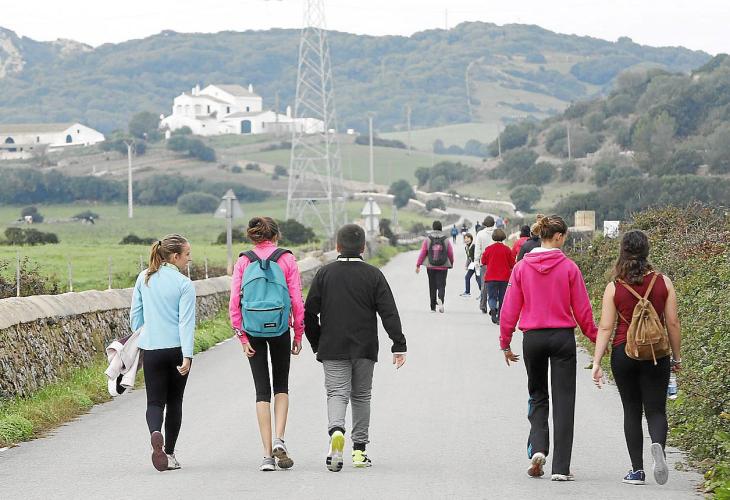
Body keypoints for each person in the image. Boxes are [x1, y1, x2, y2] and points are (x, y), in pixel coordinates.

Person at [499, 215, 598, 481]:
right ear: (558, 236)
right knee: (564, 401)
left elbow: (510, 307)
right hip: (562, 337)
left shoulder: (521, 268)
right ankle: (561, 468)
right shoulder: (569, 267)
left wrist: (505, 341)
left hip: (533, 338)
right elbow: (582, 309)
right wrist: (595, 338)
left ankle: (539, 448)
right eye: (564, 236)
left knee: (538, 394)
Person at [305, 224, 407, 472]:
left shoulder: (324, 274)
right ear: (363, 248)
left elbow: (308, 313)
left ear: (337, 247)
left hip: (333, 346)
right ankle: (359, 451)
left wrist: (317, 342)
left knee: (337, 393)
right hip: (365, 347)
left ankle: (337, 431)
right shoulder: (373, 275)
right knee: (361, 396)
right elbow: (388, 312)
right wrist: (398, 344)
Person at [591, 230, 682, 486]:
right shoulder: (664, 282)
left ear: (623, 251)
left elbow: (606, 327)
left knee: (631, 411)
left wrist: (597, 362)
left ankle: (637, 471)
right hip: (657, 354)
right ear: (647, 251)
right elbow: (673, 323)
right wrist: (676, 358)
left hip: (624, 352)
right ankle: (658, 447)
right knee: (655, 410)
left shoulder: (614, 287)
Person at [229, 217, 305, 472]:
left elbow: (234, 303)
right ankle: (279, 439)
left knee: (262, 391)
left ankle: (266, 457)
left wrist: (241, 336)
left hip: (252, 329)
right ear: (276, 235)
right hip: (280, 328)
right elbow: (296, 299)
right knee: (281, 385)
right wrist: (298, 333)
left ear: (252, 237)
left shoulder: (243, 260)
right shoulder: (287, 259)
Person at [130, 234, 196, 472]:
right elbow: (186, 324)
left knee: (155, 401)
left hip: (152, 349)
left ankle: (155, 432)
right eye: (187, 254)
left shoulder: (144, 278)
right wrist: (187, 355)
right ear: (175, 256)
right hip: (177, 350)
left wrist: (144, 333)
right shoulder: (184, 284)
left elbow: (135, 316)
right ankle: (168, 453)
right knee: (175, 401)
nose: (189, 259)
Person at [416, 220, 454, 313]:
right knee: (441, 285)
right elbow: (450, 252)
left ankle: (433, 307)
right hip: (443, 265)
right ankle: (440, 299)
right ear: (441, 228)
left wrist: (418, 264)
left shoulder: (428, 239)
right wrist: (451, 263)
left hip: (430, 266)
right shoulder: (446, 239)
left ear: (433, 228)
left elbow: (423, 252)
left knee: (432, 285)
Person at [480, 228, 515, 324]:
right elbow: (512, 263)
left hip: (491, 277)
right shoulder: (507, 249)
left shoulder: (488, 249)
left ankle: (493, 309)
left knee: (492, 297)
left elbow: (483, 261)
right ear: (503, 237)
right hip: (504, 278)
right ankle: (499, 317)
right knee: (502, 298)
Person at [474, 216, 496, 313]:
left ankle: (483, 305)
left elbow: (477, 249)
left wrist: (476, 262)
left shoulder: (480, 234)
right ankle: (494, 304)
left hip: (485, 262)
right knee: (495, 283)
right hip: (496, 261)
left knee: (484, 284)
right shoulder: (498, 232)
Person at [460, 233, 480, 297]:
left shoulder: (474, 246)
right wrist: (466, 265)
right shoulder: (466, 247)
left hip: (477, 264)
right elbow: (468, 258)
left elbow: (477, 255)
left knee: (478, 279)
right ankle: (467, 292)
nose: (466, 240)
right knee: (467, 277)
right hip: (472, 264)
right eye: (465, 238)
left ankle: (483, 293)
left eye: (468, 238)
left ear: (471, 239)